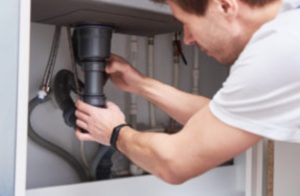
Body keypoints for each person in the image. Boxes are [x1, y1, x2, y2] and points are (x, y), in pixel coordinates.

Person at [75, 0, 300, 184]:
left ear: (224, 6)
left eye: (186, 22)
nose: (188, 39)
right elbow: (221, 119)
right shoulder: (287, 24)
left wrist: (114, 133)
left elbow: (175, 163)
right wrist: (142, 85)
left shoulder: (277, 49)